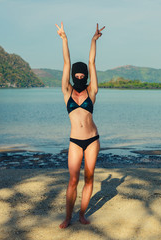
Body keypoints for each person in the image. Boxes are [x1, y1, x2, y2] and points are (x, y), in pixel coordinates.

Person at [55, 22, 105, 229]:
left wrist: (93, 41)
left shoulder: (92, 91)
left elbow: (91, 62)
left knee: (89, 177)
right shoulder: (66, 91)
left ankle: (82, 214)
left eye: (82, 73)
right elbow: (66, 63)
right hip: (75, 141)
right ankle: (68, 217)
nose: (79, 76)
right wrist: (64, 39)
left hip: (92, 140)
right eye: (76, 74)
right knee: (73, 180)